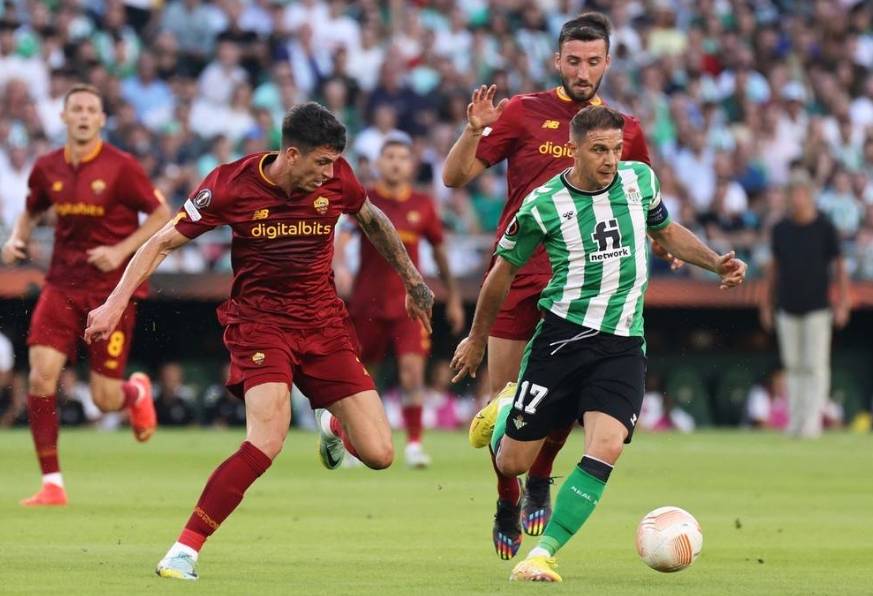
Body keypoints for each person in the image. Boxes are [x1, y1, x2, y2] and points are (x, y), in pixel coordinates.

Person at [83, 102, 434, 581]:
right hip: (261, 323)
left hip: (324, 323)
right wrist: (114, 303)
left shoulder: (338, 180)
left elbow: (372, 219)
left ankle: (332, 425)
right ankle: (184, 550)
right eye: (321, 162)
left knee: (380, 454)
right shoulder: (230, 185)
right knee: (267, 439)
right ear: (291, 155)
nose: (329, 173)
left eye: (334, 163)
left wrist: (413, 281)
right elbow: (162, 241)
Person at [451, 105, 747, 582]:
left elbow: (667, 231)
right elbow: (501, 275)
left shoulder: (639, 181)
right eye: (598, 150)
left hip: (623, 345)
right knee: (512, 460)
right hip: (561, 341)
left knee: (606, 448)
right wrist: (477, 337)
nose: (610, 160)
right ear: (574, 149)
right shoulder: (544, 204)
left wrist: (716, 263)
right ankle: (505, 408)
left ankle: (543, 554)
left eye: (615, 149)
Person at [442, 12, 675, 559]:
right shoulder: (523, 112)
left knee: (566, 403)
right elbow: (455, 177)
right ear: (557, 61)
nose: (583, 71)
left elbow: (638, 201)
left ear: (608, 62)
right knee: (507, 403)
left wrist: (663, 241)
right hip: (520, 278)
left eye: (593, 61)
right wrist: (473, 129)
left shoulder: (623, 128)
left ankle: (541, 478)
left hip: (587, 292)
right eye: (574, 60)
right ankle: (507, 498)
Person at [1, 83, 170, 507]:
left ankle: (135, 393)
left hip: (111, 291)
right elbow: (31, 210)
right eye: (75, 108)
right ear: (63, 117)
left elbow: (161, 214)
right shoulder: (48, 167)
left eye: (90, 110)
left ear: (101, 119)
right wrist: (17, 238)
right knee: (41, 376)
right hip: (61, 284)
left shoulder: (121, 166)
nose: (82, 115)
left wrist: (119, 251)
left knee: (104, 398)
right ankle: (52, 483)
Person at [336, 137, 464, 468]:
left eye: (402, 157)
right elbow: (342, 238)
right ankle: (352, 443)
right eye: (389, 156)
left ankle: (414, 445)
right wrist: (340, 265)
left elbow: (440, 253)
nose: (396, 163)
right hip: (367, 304)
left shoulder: (423, 204)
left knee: (412, 374)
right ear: (379, 163)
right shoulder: (364, 200)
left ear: (411, 165)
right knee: (363, 378)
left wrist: (452, 298)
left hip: (409, 305)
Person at [759, 169, 850, 439]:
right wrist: (766, 304)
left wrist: (843, 302)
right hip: (787, 306)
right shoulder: (780, 229)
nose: (796, 198)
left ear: (810, 195)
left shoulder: (825, 227)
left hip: (818, 307)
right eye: (792, 193)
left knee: (815, 366)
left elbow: (840, 267)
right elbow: (773, 270)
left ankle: (811, 422)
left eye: (801, 193)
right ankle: (796, 421)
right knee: (793, 366)